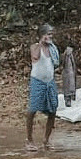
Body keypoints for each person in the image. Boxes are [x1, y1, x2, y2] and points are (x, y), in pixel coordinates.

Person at [26, 23, 61, 151]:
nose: (50, 36)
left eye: (51, 34)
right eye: (48, 34)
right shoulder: (35, 47)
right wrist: (41, 43)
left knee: (53, 110)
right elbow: (35, 57)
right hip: (37, 81)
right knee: (32, 110)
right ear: (42, 35)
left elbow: (56, 64)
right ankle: (29, 140)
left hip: (49, 82)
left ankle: (46, 139)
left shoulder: (52, 49)